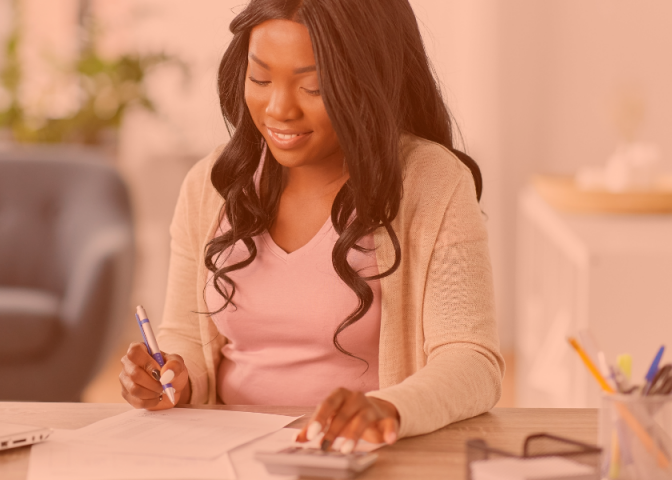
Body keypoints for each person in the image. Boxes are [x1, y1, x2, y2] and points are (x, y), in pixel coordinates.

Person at [118, 0, 503, 452]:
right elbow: (185, 334)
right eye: (260, 78)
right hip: (229, 459)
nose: (279, 109)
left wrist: (390, 408)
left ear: (369, 81)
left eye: (314, 88)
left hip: (358, 457)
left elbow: (471, 359)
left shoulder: (431, 182)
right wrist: (172, 377)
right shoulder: (210, 186)